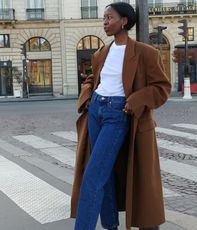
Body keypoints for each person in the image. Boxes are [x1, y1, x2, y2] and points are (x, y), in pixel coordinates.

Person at [71, 2, 171, 230]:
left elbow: (162, 87)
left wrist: (136, 100)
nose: (104, 22)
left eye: (109, 18)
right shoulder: (100, 53)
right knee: (102, 177)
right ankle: (111, 226)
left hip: (119, 114)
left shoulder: (146, 53)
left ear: (124, 21)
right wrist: (88, 97)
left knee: (92, 177)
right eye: (103, 19)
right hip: (96, 111)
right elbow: (92, 80)